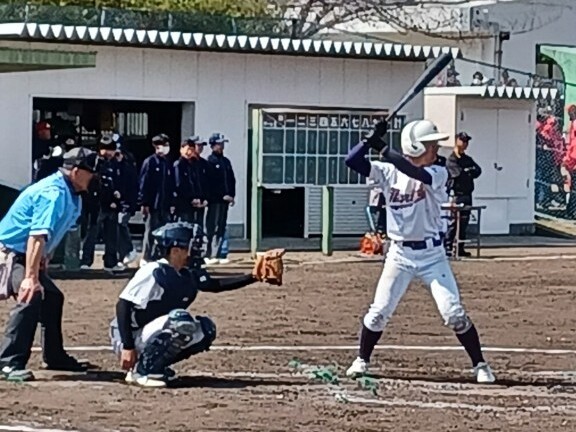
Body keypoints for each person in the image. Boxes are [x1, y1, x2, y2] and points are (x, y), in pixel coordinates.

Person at [343, 119, 495, 384]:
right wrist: (368, 141)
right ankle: (362, 359)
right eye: (429, 144)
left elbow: (415, 174)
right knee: (378, 312)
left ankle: (480, 365)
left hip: (432, 255)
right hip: (399, 254)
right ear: (415, 147)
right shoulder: (389, 171)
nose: (435, 148)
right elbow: (352, 161)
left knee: (453, 313)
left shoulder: (439, 172)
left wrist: (381, 146)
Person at [109, 221, 283, 388]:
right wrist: (128, 347)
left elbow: (214, 285)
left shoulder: (186, 273)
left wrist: (253, 276)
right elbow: (123, 305)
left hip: (149, 332)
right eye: (190, 247)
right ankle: (142, 371)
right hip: (127, 335)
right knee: (180, 321)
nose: (195, 252)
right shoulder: (153, 271)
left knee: (205, 330)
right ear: (175, 250)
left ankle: (154, 366)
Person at [0, 153, 97, 381]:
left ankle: (54, 357)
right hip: (8, 254)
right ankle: (7, 363)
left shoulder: (73, 194)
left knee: (52, 297)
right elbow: (36, 236)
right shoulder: (53, 193)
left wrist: (43, 259)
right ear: (76, 171)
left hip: (24, 254)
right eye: (90, 172)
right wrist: (30, 277)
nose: (94, 177)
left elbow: (52, 234)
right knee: (30, 295)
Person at [81, 136, 124, 273]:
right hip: (96, 204)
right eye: (106, 149)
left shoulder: (115, 163)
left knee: (112, 235)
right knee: (92, 232)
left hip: (112, 204)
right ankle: (86, 261)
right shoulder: (93, 161)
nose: (109, 152)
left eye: (111, 149)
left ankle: (110, 262)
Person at [138, 134, 176, 266]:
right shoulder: (150, 162)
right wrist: (144, 202)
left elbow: (171, 184)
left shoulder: (167, 162)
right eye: (163, 145)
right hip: (152, 204)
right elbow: (144, 183)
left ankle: (160, 255)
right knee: (150, 231)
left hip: (165, 204)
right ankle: (146, 257)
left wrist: (172, 202)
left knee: (164, 231)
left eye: (167, 145)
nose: (165, 147)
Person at [445, 132, 482, 258]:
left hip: (467, 194)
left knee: (464, 223)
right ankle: (448, 247)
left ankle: (460, 248)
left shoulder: (467, 159)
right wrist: (468, 172)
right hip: (456, 195)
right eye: (463, 140)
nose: (465, 143)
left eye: (467, 141)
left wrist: (468, 172)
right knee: (453, 223)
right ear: (456, 141)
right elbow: (458, 174)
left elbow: (478, 171)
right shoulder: (452, 159)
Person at [205, 133, 236, 265]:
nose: (221, 146)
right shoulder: (210, 161)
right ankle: (209, 254)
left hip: (225, 201)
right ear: (213, 145)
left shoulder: (226, 161)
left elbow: (231, 180)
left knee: (221, 227)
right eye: (219, 144)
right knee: (212, 227)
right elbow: (210, 183)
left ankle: (219, 254)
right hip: (214, 200)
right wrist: (220, 195)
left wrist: (231, 195)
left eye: (222, 144)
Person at [115, 137, 139, 267]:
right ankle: (120, 256)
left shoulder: (129, 167)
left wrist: (132, 205)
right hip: (114, 204)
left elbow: (133, 187)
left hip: (126, 203)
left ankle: (129, 249)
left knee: (121, 223)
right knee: (114, 229)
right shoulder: (111, 165)